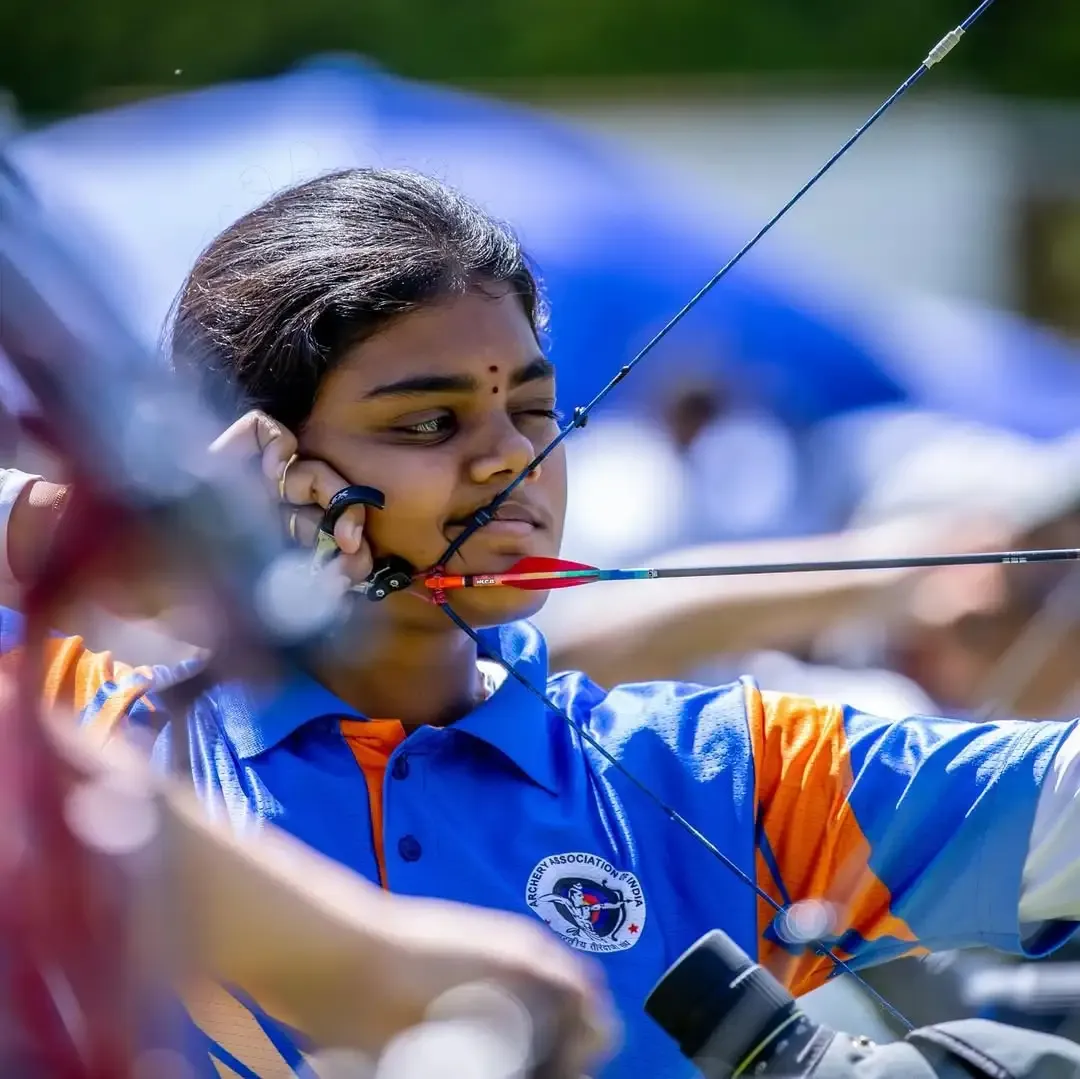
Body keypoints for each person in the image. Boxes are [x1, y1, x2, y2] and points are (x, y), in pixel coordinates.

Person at [3, 168, 1080, 1079]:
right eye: (429, 422)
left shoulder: (719, 771)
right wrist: (107, 530)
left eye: (531, 410)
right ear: (257, 454)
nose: (509, 463)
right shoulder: (71, 742)